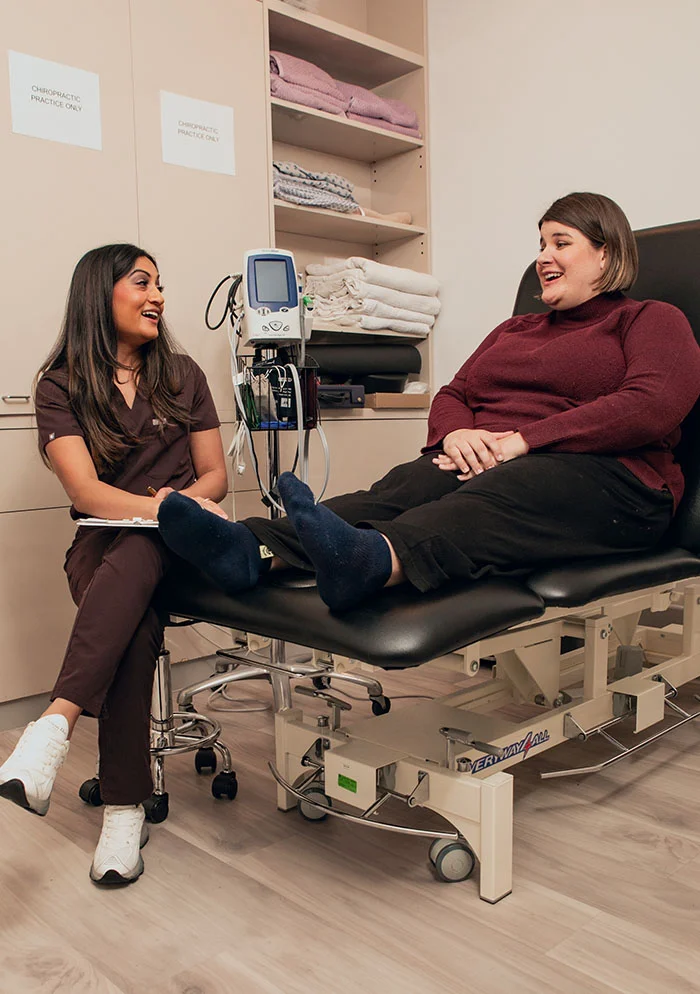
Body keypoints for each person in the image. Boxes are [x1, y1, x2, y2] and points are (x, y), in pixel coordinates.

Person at [157, 192, 700, 614]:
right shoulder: (518, 328)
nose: (543, 258)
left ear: (606, 253)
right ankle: (248, 547)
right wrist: (456, 436)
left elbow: (652, 403)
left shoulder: (650, 319)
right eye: (540, 245)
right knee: (403, 487)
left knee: (501, 489)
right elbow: (456, 393)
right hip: (498, 460)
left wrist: (521, 441)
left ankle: (374, 564)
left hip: (617, 485)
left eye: (561, 243)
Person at [0, 244, 228, 885]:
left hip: (185, 546)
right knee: (135, 615)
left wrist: (175, 508)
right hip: (100, 545)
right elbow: (87, 495)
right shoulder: (61, 384)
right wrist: (158, 510)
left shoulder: (183, 374)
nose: (158, 296)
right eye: (142, 282)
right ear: (100, 294)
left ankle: (54, 728)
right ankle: (125, 812)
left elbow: (213, 475)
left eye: (160, 284)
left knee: (148, 546)